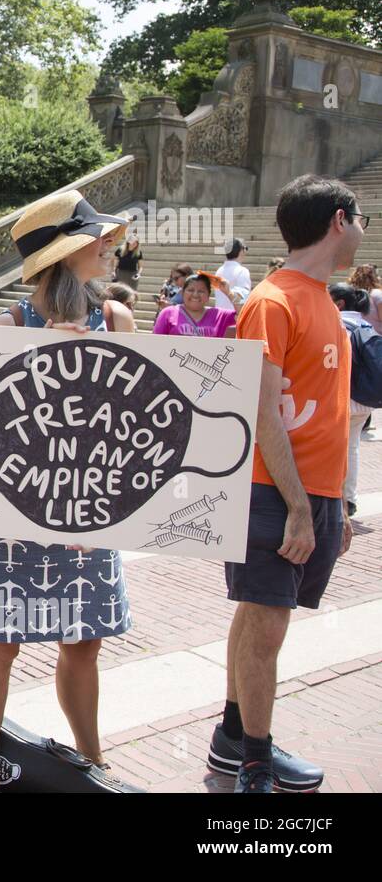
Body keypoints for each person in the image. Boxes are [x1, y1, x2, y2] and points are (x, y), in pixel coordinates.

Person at [0, 189, 135, 794]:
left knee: (84, 643)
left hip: (87, 510)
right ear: (70, 250)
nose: (112, 247)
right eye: (100, 239)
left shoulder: (117, 319)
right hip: (15, 510)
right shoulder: (8, 326)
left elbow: (139, 423)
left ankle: (93, 767)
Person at [210, 175, 364, 793]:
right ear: (338, 220)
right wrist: (301, 507)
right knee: (267, 624)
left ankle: (232, 736)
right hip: (273, 492)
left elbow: (324, 412)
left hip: (307, 494)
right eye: (359, 220)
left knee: (259, 616)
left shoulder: (323, 299)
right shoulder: (273, 300)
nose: (361, 231)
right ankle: (254, 760)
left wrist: (334, 503)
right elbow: (260, 408)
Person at [329, 284, 373, 518]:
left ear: (340, 303)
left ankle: (339, 497)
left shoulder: (338, 325)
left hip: (343, 395)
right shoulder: (366, 325)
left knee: (337, 447)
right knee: (352, 447)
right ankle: (350, 497)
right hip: (365, 399)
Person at [152, 273, 239, 338]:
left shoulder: (220, 315)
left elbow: (243, 315)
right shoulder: (167, 313)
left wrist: (228, 292)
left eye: (201, 291)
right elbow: (155, 343)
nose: (195, 294)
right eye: (190, 290)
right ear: (182, 293)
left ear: (208, 296)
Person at [214, 237, 252, 312]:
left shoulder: (219, 271)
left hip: (219, 315)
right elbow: (242, 300)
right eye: (245, 248)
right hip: (233, 317)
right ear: (241, 251)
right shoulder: (242, 271)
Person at [348, 264, 382, 329]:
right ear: (372, 278)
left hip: (356, 334)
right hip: (376, 336)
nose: (379, 278)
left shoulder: (350, 293)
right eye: (377, 275)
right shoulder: (377, 294)